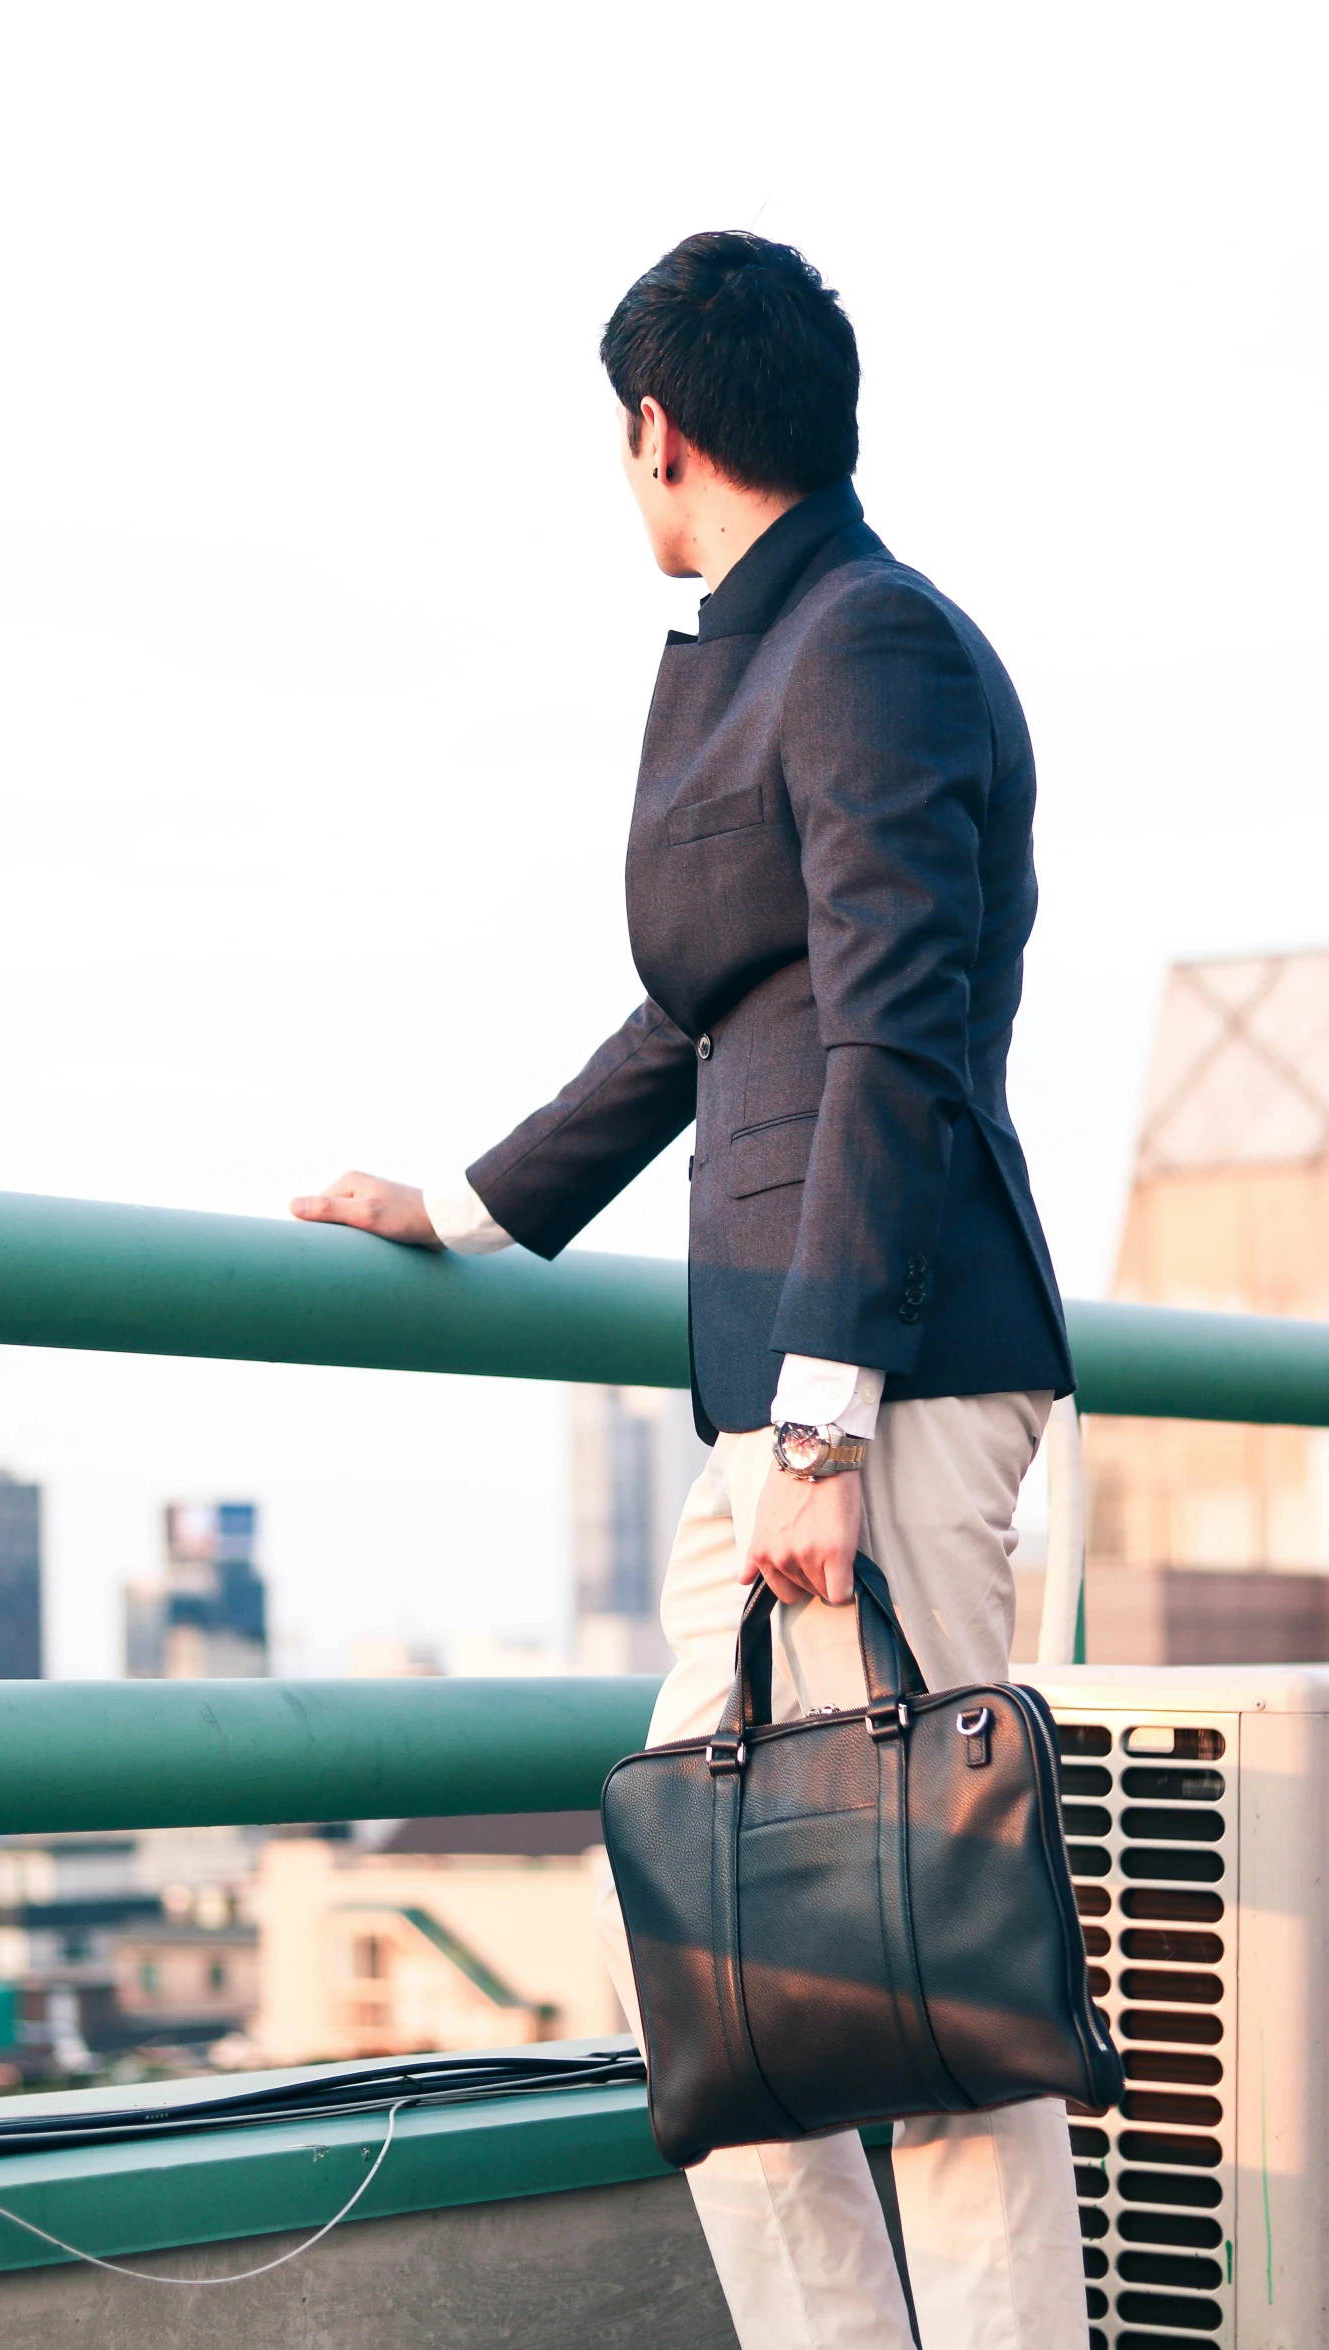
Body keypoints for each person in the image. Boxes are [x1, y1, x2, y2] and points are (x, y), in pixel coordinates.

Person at [292, 231, 1086, 2350]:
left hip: (878, 1385)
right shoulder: (788, 648)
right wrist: (460, 1200)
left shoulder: (865, 642)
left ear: (660, 429)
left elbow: (898, 1030)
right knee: (731, 1978)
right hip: (793, 1392)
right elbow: (705, 1019)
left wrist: (823, 1413)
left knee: (938, 1996)